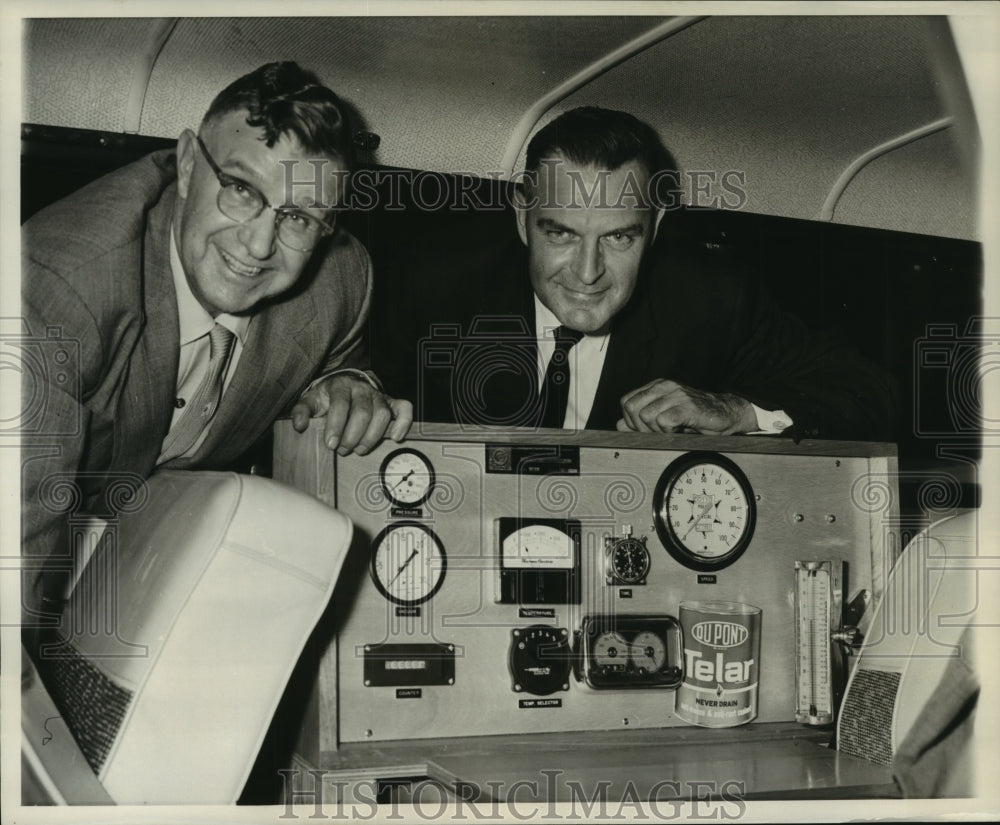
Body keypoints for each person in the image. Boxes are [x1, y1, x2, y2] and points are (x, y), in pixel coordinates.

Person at [20, 62, 413, 635]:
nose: (257, 245)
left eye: (298, 218)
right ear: (185, 164)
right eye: (241, 190)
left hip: (154, 564)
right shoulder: (55, 289)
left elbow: (341, 359)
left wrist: (347, 387)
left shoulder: (340, 282)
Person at [376, 106, 896, 440]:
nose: (587, 273)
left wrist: (733, 410)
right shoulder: (436, 285)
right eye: (560, 234)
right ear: (521, 217)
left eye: (619, 237)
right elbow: (358, 372)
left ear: (655, 227)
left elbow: (870, 392)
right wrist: (350, 384)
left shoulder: (712, 299)